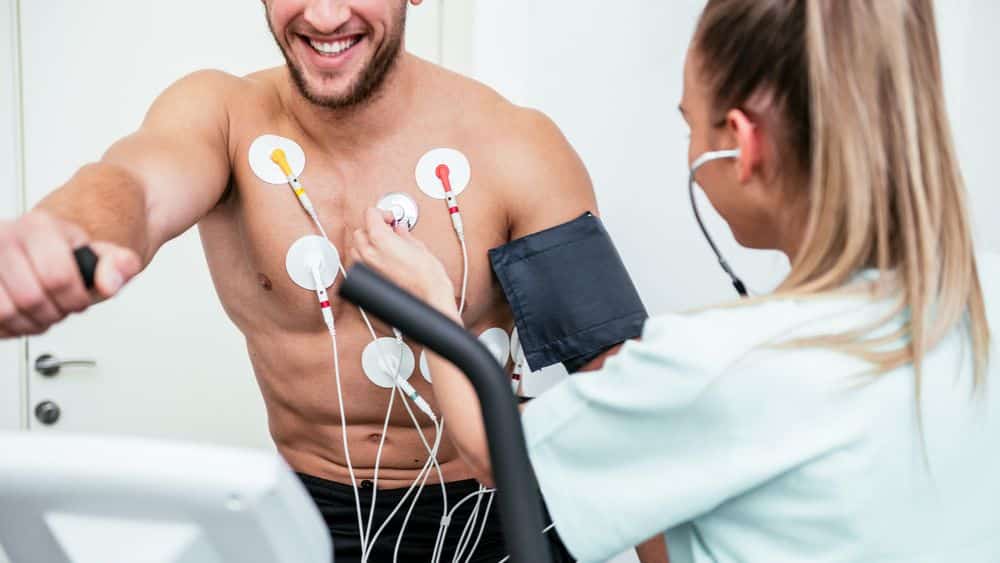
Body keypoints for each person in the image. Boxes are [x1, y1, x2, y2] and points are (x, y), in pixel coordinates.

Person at [0, 1, 663, 561]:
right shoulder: (223, 117)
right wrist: (66, 229)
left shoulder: (516, 148)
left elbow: (627, 415)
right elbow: (133, 186)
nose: (322, 15)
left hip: (495, 513)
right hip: (307, 515)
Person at [353, 0, 1000, 561]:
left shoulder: (717, 364)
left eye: (691, 123)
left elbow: (503, 455)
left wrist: (432, 306)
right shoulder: (955, 321)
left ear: (740, 145)